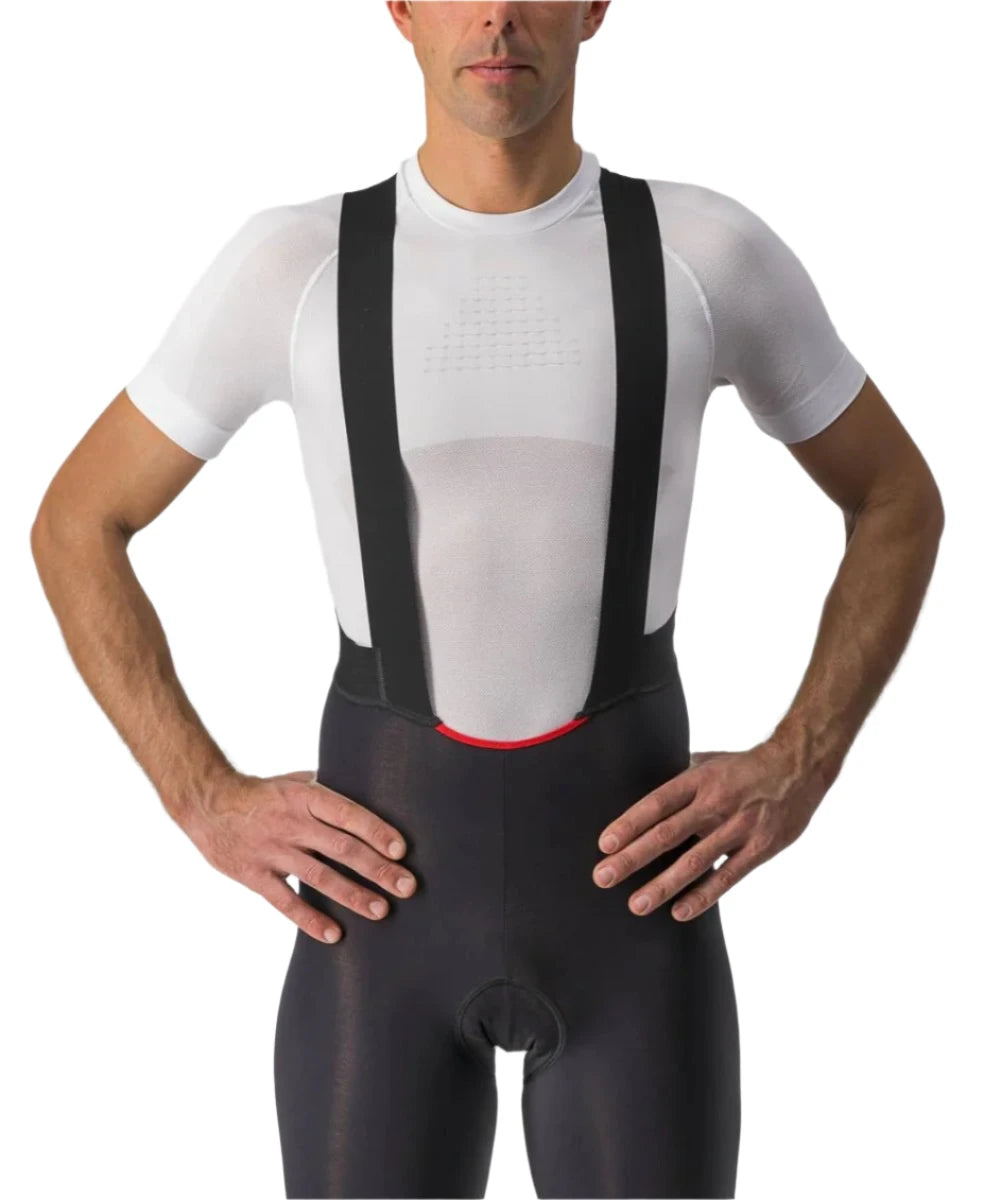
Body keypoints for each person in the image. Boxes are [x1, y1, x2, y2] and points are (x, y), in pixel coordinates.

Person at [30, 3, 944, 1197]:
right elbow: (77, 523)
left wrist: (804, 758)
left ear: (595, 6)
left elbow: (897, 498)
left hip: (635, 927)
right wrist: (200, 794)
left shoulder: (705, 254)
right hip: (379, 933)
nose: (498, 14)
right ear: (401, 9)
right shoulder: (296, 266)